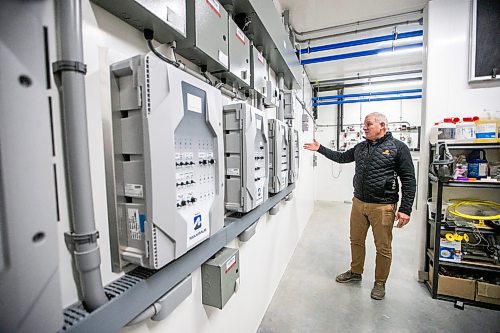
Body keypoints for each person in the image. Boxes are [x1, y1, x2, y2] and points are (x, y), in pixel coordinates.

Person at [303, 112, 416, 300]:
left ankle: (380, 283)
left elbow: (409, 180)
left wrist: (405, 209)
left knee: (383, 247)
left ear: (382, 126)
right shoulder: (361, 147)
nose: (365, 127)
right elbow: (341, 158)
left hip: (383, 206)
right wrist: (320, 148)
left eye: (369, 124)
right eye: (364, 124)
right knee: (355, 240)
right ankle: (356, 272)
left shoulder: (398, 148)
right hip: (358, 203)